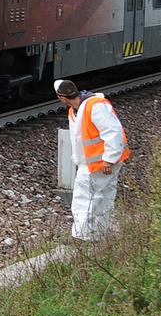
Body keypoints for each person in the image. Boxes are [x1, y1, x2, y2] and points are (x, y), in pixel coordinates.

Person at [55, 78, 130, 241]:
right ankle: (101, 232)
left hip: (100, 163)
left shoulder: (95, 106)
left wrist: (109, 160)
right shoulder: (76, 110)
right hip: (97, 162)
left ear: (62, 98)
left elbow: (113, 131)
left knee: (83, 198)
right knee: (104, 196)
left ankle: (83, 236)